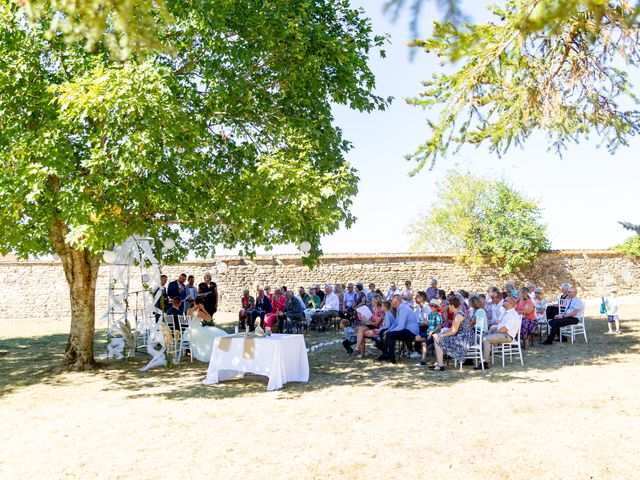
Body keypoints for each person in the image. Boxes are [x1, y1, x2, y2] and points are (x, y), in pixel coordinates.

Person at [477, 296, 521, 370]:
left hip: (507, 336)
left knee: (485, 339)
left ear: (510, 303)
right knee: (483, 336)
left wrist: (492, 332)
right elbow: (499, 325)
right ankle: (482, 358)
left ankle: (484, 363)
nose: (503, 301)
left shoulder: (513, 315)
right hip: (502, 334)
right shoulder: (506, 312)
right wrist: (491, 330)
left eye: (505, 300)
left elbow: (504, 329)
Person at [430, 296, 473, 371]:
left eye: (449, 304)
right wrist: (442, 333)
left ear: (452, 305)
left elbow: (453, 331)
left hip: (463, 340)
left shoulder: (458, 315)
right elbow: (452, 329)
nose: (448, 306)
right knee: (436, 337)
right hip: (460, 336)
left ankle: (440, 365)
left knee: (438, 339)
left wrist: (441, 335)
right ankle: (438, 363)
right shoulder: (456, 313)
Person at [378, 294, 420, 364]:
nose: (391, 303)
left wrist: (388, 332)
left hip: (412, 332)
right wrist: (388, 330)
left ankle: (391, 359)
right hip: (406, 330)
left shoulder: (404, 309)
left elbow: (401, 326)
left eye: (392, 301)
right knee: (384, 332)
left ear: (396, 301)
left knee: (389, 335)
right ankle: (386, 354)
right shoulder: (400, 308)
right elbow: (395, 323)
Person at [187, 297, 226, 361]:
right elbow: (209, 319)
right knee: (217, 334)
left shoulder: (189, 310)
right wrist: (204, 309)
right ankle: (218, 351)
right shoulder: (199, 312)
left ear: (194, 302)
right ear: (200, 304)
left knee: (212, 333)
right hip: (196, 331)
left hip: (188, 331)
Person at [415, 299, 443, 366]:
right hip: (429, 332)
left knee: (424, 344)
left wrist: (432, 332)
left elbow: (439, 326)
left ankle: (423, 360)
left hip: (434, 334)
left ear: (437, 308)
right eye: (431, 306)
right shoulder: (430, 314)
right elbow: (430, 325)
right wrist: (426, 322)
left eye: (434, 306)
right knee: (417, 338)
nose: (432, 307)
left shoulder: (438, 315)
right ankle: (430, 340)